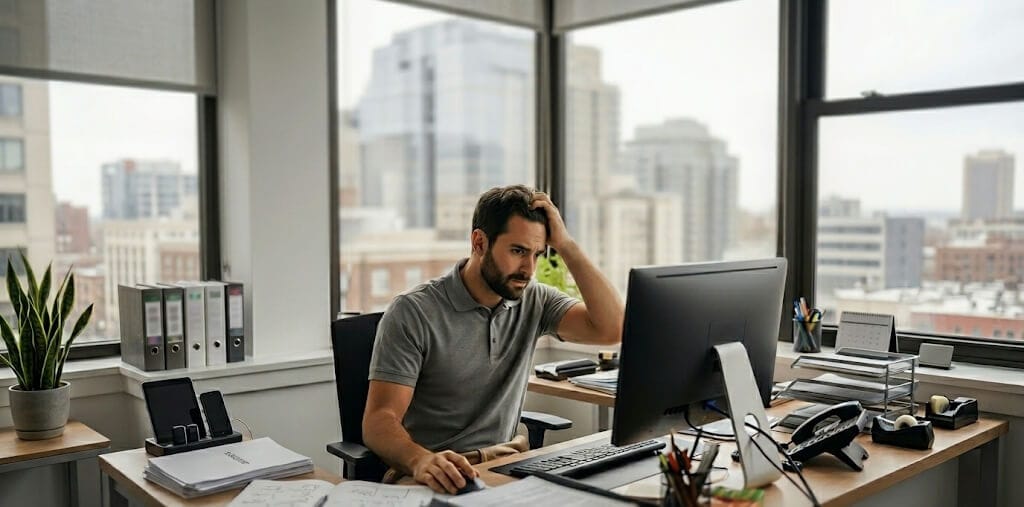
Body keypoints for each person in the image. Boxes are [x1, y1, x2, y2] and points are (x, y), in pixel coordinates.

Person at [362, 185, 624, 494]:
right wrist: (420, 460)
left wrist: (565, 244)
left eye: (537, 254)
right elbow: (379, 420)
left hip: (509, 462)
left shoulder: (534, 299)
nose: (529, 269)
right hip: (435, 472)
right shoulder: (414, 312)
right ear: (479, 242)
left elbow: (613, 328)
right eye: (518, 251)